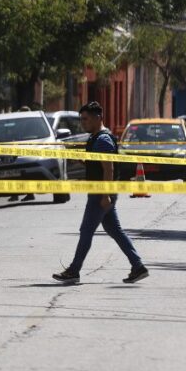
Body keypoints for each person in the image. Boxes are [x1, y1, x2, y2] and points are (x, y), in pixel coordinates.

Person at [53, 101, 149, 284]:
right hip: (102, 192)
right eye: (82, 119)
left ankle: (74, 270)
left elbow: (108, 169)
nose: (83, 123)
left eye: (86, 119)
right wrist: (77, 157)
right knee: (115, 231)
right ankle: (138, 266)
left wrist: (105, 195)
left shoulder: (103, 140)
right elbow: (95, 165)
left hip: (101, 193)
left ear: (98, 118)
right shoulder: (96, 138)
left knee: (86, 231)